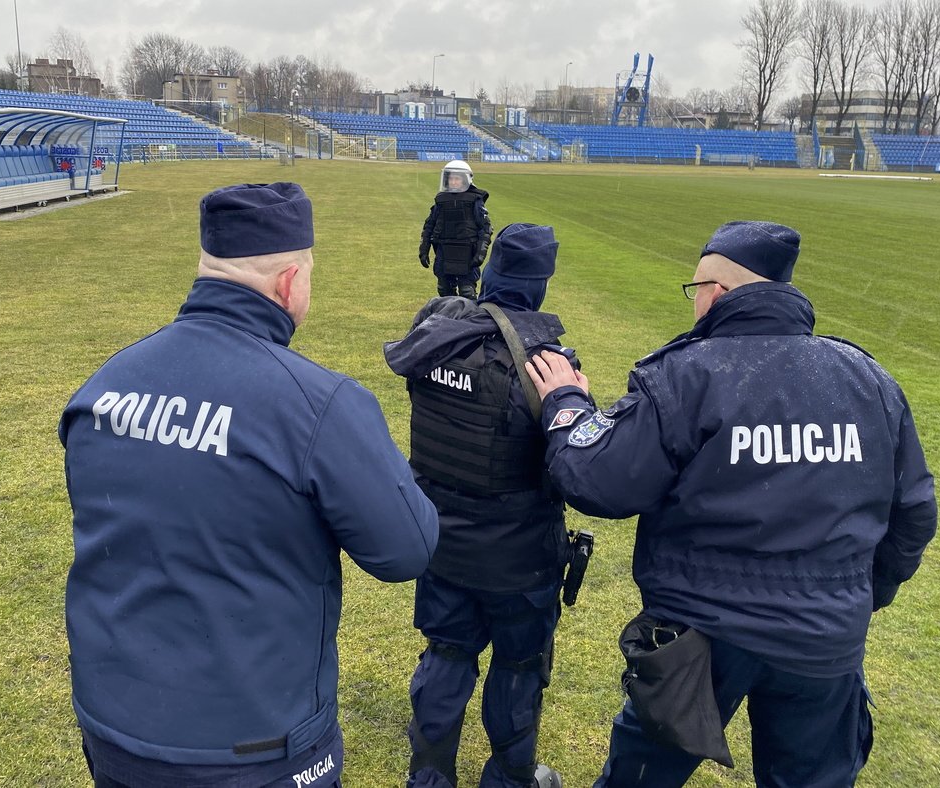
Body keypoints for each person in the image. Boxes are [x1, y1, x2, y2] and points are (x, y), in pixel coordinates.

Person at [525, 221, 938, 788]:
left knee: (643, 775)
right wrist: (861, 593)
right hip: (823, 633)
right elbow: (914, 511)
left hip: (701, 633)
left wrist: (565, 402)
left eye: (694, 291)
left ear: (716, 293)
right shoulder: (868, 379)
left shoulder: (688, 372)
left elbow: (599, 481)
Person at [60, 181, 439, 788]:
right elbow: (406, 549)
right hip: (254, 750)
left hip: (115, 728)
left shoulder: (103, 385)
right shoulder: (319, 405)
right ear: (290, 282)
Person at [385, 223, 571, 788]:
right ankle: (511, 778)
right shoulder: (545, 361)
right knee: (518, 665)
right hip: (519, 556)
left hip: (441, 539)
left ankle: (430, 776)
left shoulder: (434, 335)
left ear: (490, 270)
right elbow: (568, 462)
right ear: (540, 285)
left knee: (446, 651)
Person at [419, 160, 493, 299]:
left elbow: (486, 228)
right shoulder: (441, 200)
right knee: (444, 290)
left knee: (467, 292)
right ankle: (448, 318)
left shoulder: (475, 200)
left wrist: (480, 252)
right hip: (444, 251)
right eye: (451, 178)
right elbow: (429, 225)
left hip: (467, 252)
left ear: (466, 179)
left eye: (457, 179)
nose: (453, 182)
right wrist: (424, 249)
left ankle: (469, 319)